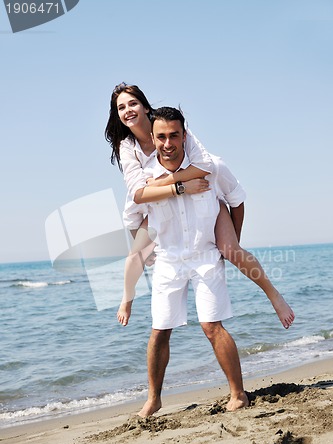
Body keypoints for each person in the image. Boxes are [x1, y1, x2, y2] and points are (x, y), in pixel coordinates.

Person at [105, 83, 295, 330]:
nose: (128, 110)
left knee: (231, 250)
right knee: (136, 251)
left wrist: (171, 180)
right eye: (121, 107)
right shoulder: (128, 146)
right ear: (117, 114)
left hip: (195, 192)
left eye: (133, 103)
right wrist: (172, 187)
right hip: (158, 201)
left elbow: (205, 165)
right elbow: (139, 193)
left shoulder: (169, 123)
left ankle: (274, 296)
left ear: (144, 105)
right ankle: (126, 299)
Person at [137, 106, 249, 416]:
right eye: (161, 137)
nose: (168, 143)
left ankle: (238, 394)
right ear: (152, 137)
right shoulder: (146, 179)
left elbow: (237, 200)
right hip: (168, 261)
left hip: (205, 256)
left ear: (185, 135)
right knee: (160, 329)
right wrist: (144, 255)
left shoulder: (212, 166)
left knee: (212, 325)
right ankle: (154, 398)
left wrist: (230, 244)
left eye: (174, 135)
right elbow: (132, 215)